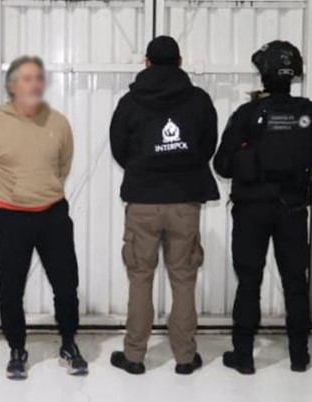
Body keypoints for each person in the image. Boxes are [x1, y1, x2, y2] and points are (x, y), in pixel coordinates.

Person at [214, 41, 312, 374]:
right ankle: (299, 356)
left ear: (263, 73)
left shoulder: (246, 114)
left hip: (251, 210)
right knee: (296, 281)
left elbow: (221, 165)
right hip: (293, 209)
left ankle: (244, 357)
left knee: (249, 282)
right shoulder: (310, 113)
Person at [107, 36, 219, 375]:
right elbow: (207, 146)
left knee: (140, 278)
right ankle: (185, 357)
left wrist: (142, 168)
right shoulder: (199, 100)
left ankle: (134, 356)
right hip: (185, 201)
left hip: (143, 201)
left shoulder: (131, 101)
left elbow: (118, 148)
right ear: (180, 62)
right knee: (183, 278)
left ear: (146, 62)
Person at [0, 56, 87, 380]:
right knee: (11, 289)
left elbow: (62, 166)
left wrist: (41, 190)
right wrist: (8, 196)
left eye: (38, 78)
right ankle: (17, 349)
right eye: (26, 78)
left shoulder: (59, 123)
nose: (34, 84)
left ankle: (68, 345)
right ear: (11, 86)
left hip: (54, 216)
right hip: (12, 218)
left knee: (66, 285)